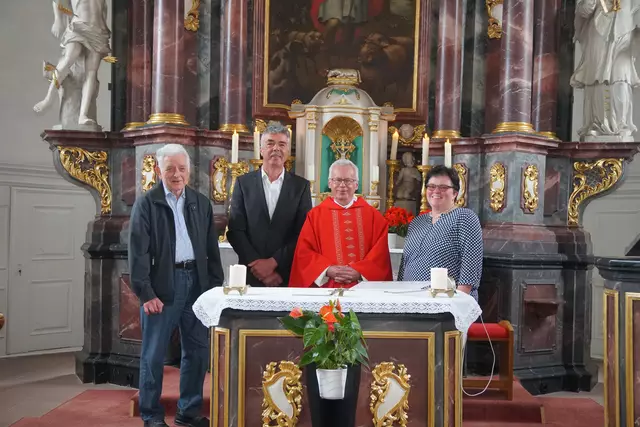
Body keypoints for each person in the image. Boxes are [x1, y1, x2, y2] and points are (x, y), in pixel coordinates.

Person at [128, 144, 224, 427]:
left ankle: (188, 412)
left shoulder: (201, 203)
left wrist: (214, 287)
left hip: (197, 286)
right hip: (162, 287)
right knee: (154, 355)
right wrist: (146, 293)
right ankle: (151, 415)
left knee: (197, 352)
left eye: (182, 168)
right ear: (159, 171)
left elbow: (211, 249)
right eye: (170, 168)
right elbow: (138, 253)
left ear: (189, 171)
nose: (177, 174)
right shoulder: (147, 204)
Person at [227, 122, 312, 287]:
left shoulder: (300, 187)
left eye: (282, 144)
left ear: (288, 151)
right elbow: (236, 230)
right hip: (251, 273)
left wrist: (274, 263)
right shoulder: (243, 184)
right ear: (261, 149)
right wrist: (257, 265)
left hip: (286, 274)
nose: (276, 148)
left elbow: (303, 233)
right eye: (270, 143)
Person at [289, 159, 392, 288]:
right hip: (326, 288)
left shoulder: (373, 216)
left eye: (348, 180)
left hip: (363, 289)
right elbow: (304, 252)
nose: (342, 185)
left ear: (356, 184)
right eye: (337, 180)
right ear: (329, 183)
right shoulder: (315, 216)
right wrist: (327, 269)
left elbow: (380, 254)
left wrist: (360, 271)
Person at [397, 165, 483, 300]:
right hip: (410, 300)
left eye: (443, 187)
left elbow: (471, 264)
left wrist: (459, 301)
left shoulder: (465, 217)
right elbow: (404, 265)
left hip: (446, 302)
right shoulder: (416, 222)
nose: (436, 191)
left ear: (455, 193)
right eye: (431, 186)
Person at [33, 0, 112, 126]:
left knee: (91, 73)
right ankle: (48, 99)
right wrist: (58, 20)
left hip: (98, 31)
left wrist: (104, 29)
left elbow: (104, 9)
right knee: (69, 58)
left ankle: (83, 115)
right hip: (78, 26)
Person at [571, 0, 640, 139]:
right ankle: (597, 125)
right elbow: (584, 11)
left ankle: (621, 125)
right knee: (597, 79)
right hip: (598, 32)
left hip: (624, 30)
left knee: (621, 79)